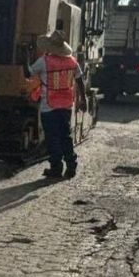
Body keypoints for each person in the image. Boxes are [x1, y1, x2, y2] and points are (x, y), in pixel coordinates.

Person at [28, 31, 87, 179]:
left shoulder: (44, 61)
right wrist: (83, 99)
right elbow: (80, 80)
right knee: (65, 136)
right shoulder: (72, 61)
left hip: (49, 105)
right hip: (66, 104)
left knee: (52, 137)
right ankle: (71, 166)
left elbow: (30, 72)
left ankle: (56, 167)